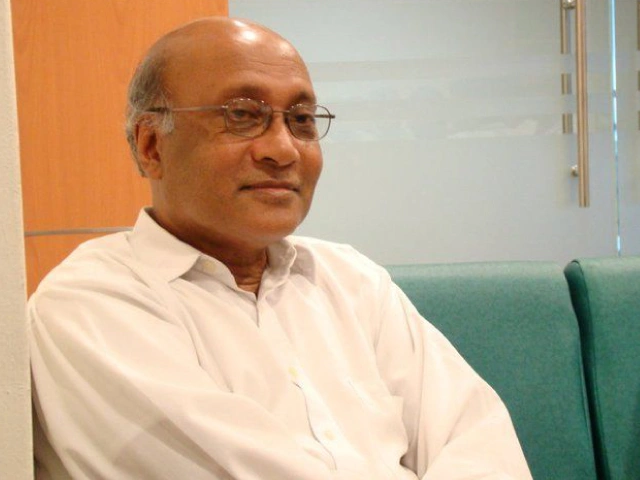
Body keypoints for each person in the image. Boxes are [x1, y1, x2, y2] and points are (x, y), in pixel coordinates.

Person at [28, 16, 532, 480]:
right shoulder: (89, 305)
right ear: (151, 146)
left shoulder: (352, 280)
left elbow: (480, 441)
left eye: (302, 119)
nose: (283, 149)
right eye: (242, 115)